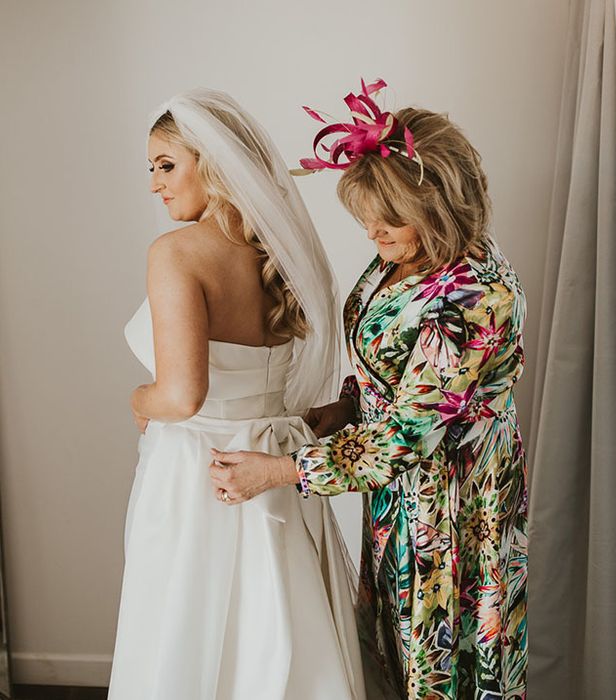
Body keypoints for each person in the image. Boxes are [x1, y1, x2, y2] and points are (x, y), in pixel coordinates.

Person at [210, 81, 528, 699]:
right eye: (366, 216)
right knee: (390, 649)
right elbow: (391, 364)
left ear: (443, 205)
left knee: (437, 660)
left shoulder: (472, 296)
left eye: (390, 218)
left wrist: (276, 471)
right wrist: (347, 405)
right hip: (401, 495)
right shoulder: (408, 255)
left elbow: (406, 436)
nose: (371, 232)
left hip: (451, 500)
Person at [109, 88, 365, 700]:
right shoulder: (281, 254)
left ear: (215, 163)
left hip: (199, 474)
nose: (154, 184)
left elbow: (181, 396)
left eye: (166, 164)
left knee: (184, 630)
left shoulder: (176, 254)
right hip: (274, 465)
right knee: (277, 624)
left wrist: (137, 401)